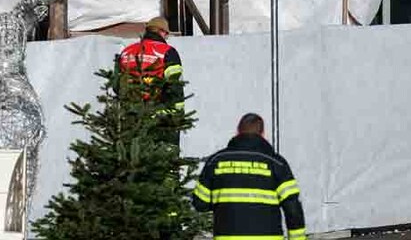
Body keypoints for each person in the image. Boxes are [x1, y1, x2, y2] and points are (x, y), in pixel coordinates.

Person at [192, 113, 306, 240]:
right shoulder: (277, 163)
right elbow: (293, 209)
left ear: (237, 132)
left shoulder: (215, 161)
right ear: (262, 133)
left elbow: (200, 203)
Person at [116, 17, 185, 146]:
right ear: (162, 31)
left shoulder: (126, 52)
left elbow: (116, 84)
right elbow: (175, 86)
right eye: (166, 34)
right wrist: (176, 116)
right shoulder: (167, 52)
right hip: (159, 118)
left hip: (130, 116)